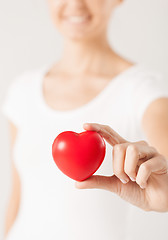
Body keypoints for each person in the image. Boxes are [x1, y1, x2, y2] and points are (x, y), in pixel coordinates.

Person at [1, 0, 168, 239]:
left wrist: (165, 191)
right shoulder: (22, 90)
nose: (75, 4)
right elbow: (16, 200)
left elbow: (165, 160)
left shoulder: (143, 89)